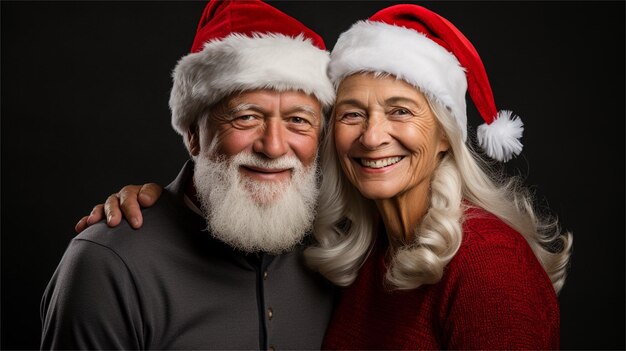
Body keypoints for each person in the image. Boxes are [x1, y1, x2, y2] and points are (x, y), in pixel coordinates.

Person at [79, 4, 573, 349]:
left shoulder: (490, 267)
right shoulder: (347, 247)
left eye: (400, 111)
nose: (373, 136)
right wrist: (155, 204)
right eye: (353, 114)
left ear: (446, 135)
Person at [40, 0, 336, 349]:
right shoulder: (108, 265)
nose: (273, 147)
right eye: (246, 117)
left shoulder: (339, 251)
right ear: (193, 134)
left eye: (298, 121)